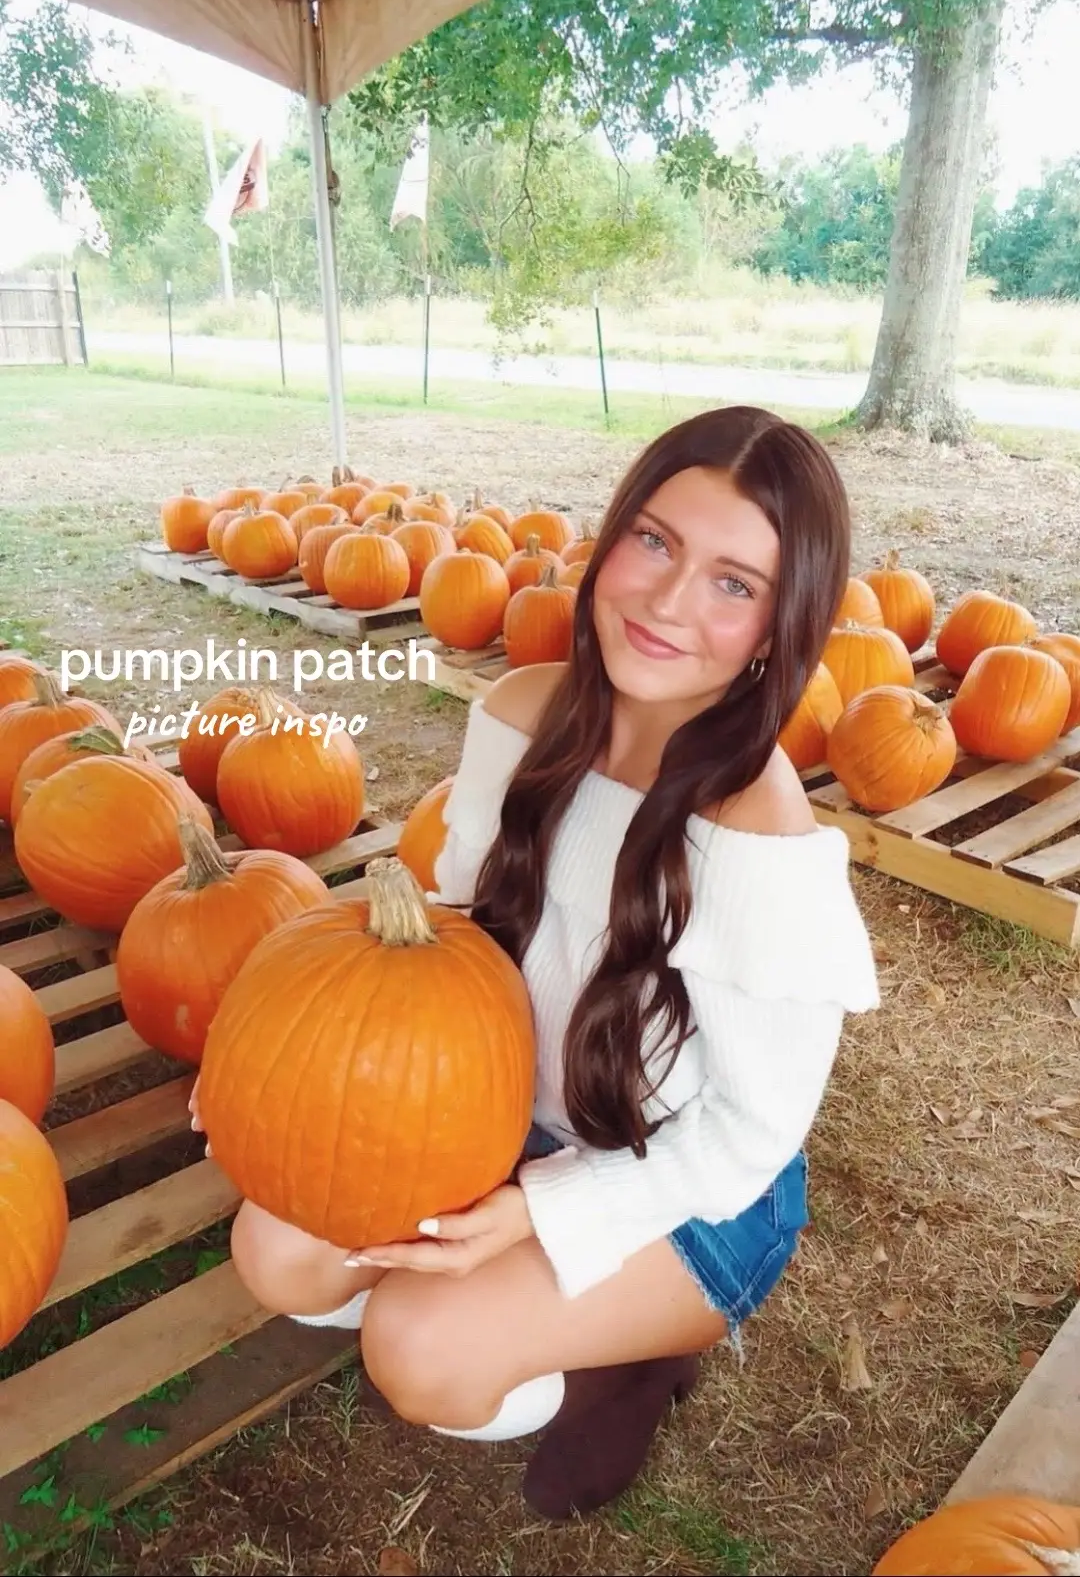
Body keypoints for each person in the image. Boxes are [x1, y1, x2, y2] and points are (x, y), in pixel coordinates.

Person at [190, 404, 879, 1521]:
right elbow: (456, 940)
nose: (667, 601)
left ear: (776, 627)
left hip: (688, 1187)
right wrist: (280, 1073)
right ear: (613, 539)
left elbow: (751, 1136)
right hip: (508, 1112)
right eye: (654, 541)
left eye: (732, 582)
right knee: (280, 1255)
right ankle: (535, 1315)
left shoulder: (754, 826)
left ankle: (622, 1366)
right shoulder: (519, 715)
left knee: (420, 1352)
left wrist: (535, 1215)